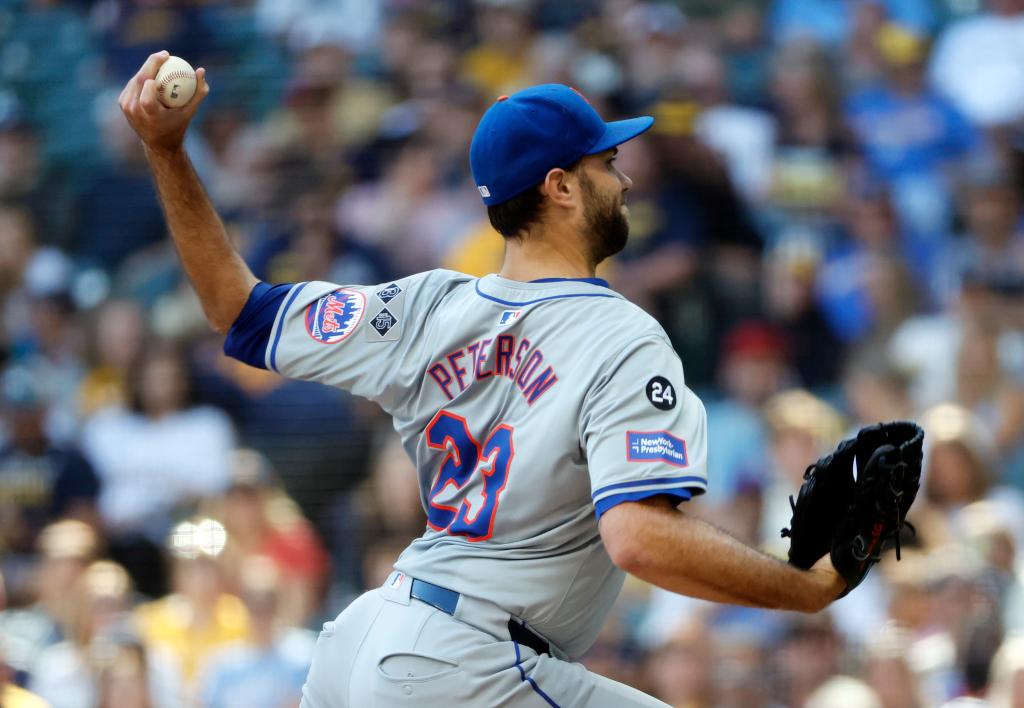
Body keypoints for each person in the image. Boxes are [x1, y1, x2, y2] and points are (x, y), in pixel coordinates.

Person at [119, 51, 845, 707]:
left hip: (368, 639)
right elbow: (639, 539)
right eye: (606, 163)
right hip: (468, 665)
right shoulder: (622, 334)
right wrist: (804, 588)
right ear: (561, 187)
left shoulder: (423, 306)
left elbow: (236, 309)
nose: (623, 179)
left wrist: (167, 151)